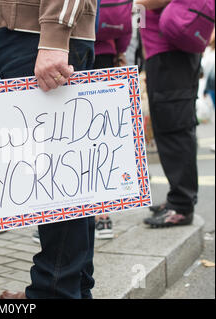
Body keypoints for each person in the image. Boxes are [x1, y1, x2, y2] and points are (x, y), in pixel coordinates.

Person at [0, 0, 98, 298]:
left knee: (56, 175)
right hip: (24, 33)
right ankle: (69, 286)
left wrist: (54, 38)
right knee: (65, 175)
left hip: (37, 35)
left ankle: (54, 290)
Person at [138, 0, 202, 227]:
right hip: (165, 54)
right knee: (169, 126)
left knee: (175, 128)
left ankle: (182, 206)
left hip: (171, 55)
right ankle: (178, 198)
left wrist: (134, 2)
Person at [93, 0, 133, 240]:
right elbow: (126, 21)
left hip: (65, 50)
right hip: (105, 54)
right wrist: (120, 51)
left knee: (67, 134)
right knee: (102, 134)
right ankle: (103, 216)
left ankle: (64, 214)